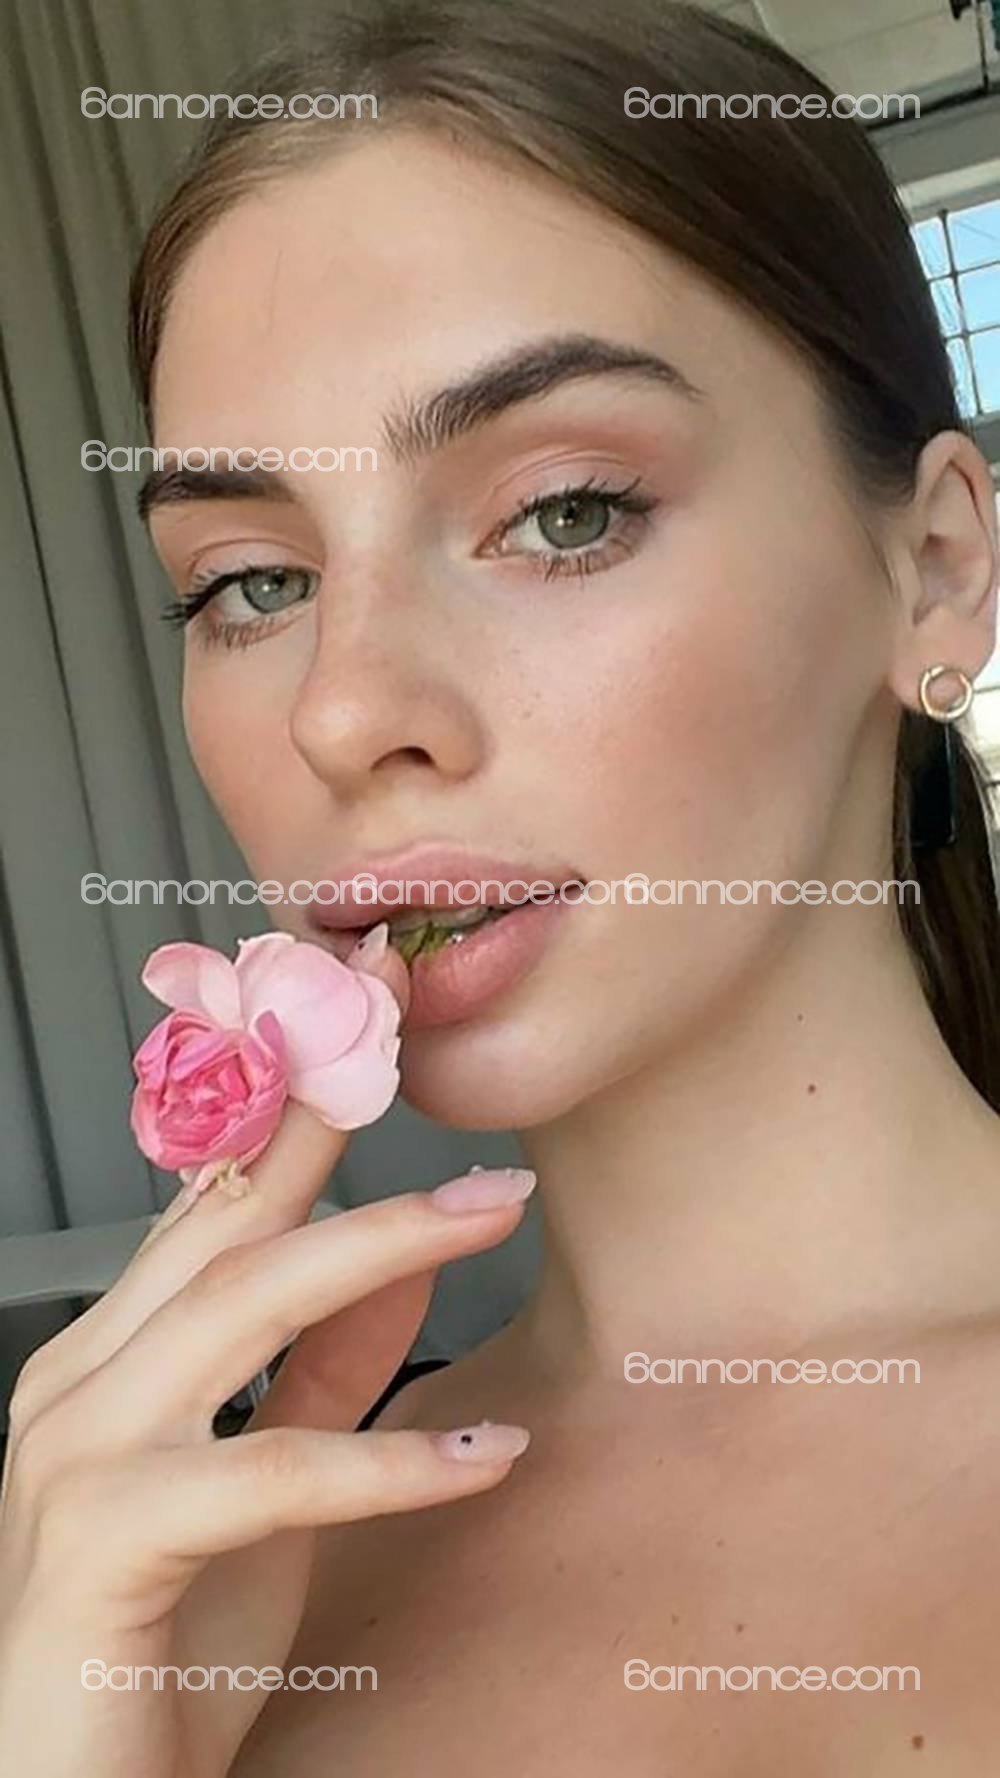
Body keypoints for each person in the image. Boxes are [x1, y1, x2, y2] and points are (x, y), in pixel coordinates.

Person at [3, 1, 1000, 1770]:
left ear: (933, 569)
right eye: (251, 583)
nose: (340, 710)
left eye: (562, 512)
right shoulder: (196, 1610)